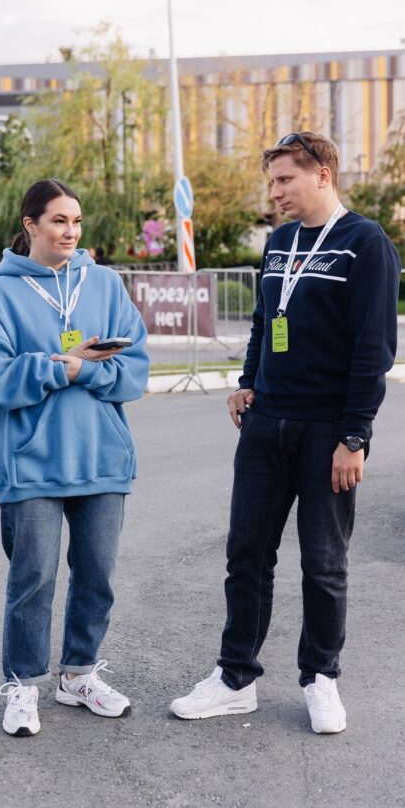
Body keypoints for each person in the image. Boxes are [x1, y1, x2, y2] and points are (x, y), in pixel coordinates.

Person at [169, 132, 400, 734]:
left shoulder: (364, 243)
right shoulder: (279, 242)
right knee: (246, 554)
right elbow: (265, 318)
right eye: (271, 182)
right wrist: (248, 380)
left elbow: (373, 348)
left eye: (284, 180)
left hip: (328, 429)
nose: (275, 194)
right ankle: (235, 677)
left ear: (322, 174)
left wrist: (355, 437)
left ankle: (321, 678)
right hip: (266, 421)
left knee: (324, 563)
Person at [0, 178, 149, 738]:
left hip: (101, 457)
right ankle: (22, 685)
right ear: (30, 226)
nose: (70, 231)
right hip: (31, 462)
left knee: (97, 574)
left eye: (76, 221)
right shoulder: (2, 293)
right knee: (34, 577)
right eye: (58, 221)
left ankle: (79, 674)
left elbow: (133, 369)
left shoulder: (106, 284)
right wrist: (56, 365)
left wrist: (84, 368)